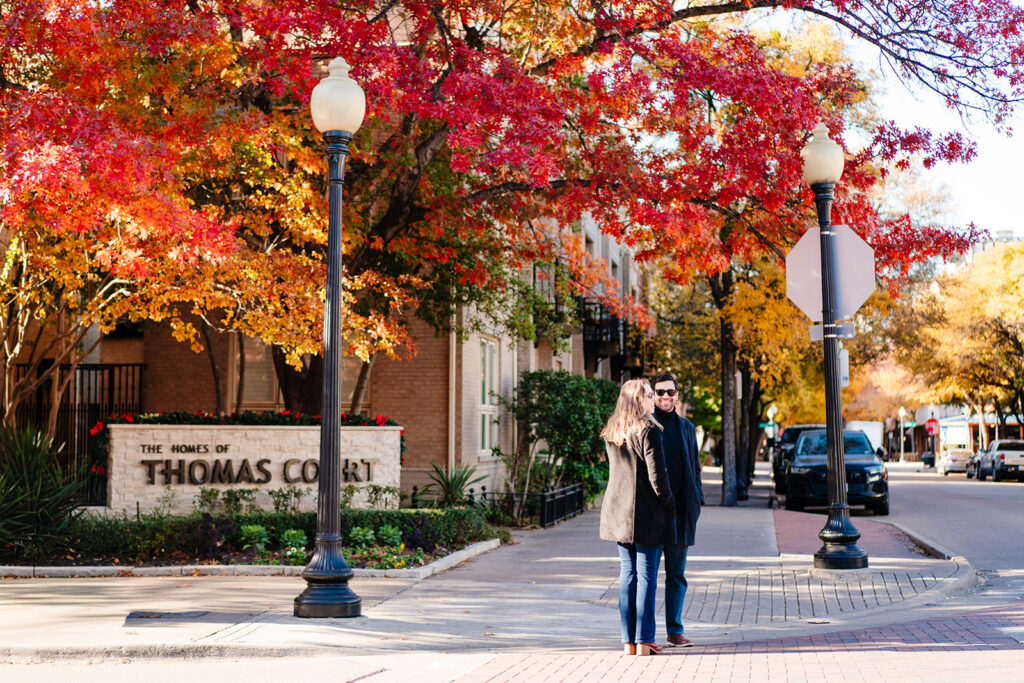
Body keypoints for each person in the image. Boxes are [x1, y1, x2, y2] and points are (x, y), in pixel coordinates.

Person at [599, 378, 676, 656]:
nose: (653, 400)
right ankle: (644, 639)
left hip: (619, 512)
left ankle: (628, 642)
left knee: (627, 575)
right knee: (645, 576)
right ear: (636, 400)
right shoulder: (649, 430)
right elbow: (659, 478)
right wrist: (671, 504)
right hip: (646, 514)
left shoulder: (613, 430)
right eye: (647, 396)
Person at [651, 372, 704, 648]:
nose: (665, 397)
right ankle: (644, 634)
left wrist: (698, 498)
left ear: (677, 395)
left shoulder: (687, 428)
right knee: (647, 576)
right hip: (654, 513)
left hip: (681, 511)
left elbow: (695, 466)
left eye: (670, 392)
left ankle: (674, 629)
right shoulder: (646, 425)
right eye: (660, 392)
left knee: (677, 574)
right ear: (653, 395)